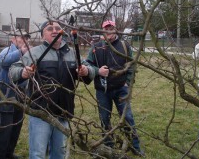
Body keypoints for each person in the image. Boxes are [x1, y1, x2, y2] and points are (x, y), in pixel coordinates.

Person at [9, 21, 95, 159]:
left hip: (64, 111)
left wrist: (86, 71)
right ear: (43, 35)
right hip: (40, 111)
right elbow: (12, 70)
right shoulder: (34, 53)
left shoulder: (72, 53)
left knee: (59, 153)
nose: (55, 30)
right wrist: (22, 72)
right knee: (38, 153)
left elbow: (90, 70)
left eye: (58, 28)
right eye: (50, 29)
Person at [85, 20, 144, 156]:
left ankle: (134, 146)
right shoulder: (96, 47)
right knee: (104, 118)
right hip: (102, 90)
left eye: (111, 28)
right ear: (102, 31)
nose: (108, 31)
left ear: (115, 30)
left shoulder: (124, 45)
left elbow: (132, 65)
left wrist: (128, 82)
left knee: (127, 117)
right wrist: (97, 70)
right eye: (106, 29)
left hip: (121, 89)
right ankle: (109, 145)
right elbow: (87, 65)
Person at [0, 31, 31, 159]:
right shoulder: (7, 51)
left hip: (20, 93)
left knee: (16, 125)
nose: (25, 40)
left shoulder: (26, 54)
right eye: (22, 38)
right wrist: (21, 52)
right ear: (13, 39)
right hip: (6, 93)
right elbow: (3, 61)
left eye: (26, 38)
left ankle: (9, 153)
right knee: (5, 126)